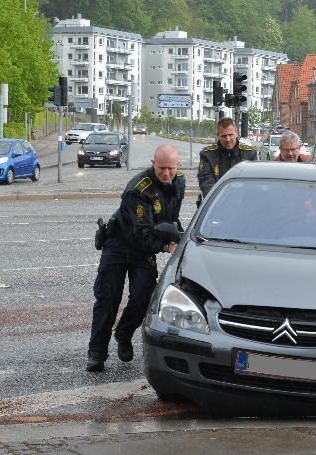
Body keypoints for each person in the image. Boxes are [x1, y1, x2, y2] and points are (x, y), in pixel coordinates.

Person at [86, 144, 186, 372]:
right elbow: (141, 233)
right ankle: (97, 352)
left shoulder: (179, 182)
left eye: (171, 168)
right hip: (120, 244)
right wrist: (165, 245)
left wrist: (181, 237)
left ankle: (124, 334)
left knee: (144, 297)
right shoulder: (138, 190)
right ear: (153, 164)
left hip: (144, 249)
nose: (166, 174)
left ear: (177, 166)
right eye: (161, 168)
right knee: (108, 298)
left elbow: (171, 218)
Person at [197, 117, 257, 198]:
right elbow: (206, 183)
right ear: (218, 136)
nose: (228, 139)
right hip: (217, 201)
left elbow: (254, 182)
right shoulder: (207, 155)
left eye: (230, 135)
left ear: (236, 133)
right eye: (224, 136)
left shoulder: (249, 153)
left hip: (244, 200)